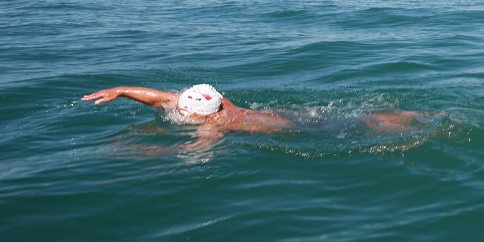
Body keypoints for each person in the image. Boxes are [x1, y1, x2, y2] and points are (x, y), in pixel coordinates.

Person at [82, 84, 430, 150]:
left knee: (359, 126)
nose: (177, 109)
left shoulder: (215, 127)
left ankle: (434, 127)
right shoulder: (218, 103)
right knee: (362, 116)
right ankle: (418, 113)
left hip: (299, 126)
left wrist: (142, 149)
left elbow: (189, 152)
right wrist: (121, 90)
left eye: (183, 110)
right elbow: (163, 98)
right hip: (285, 114)